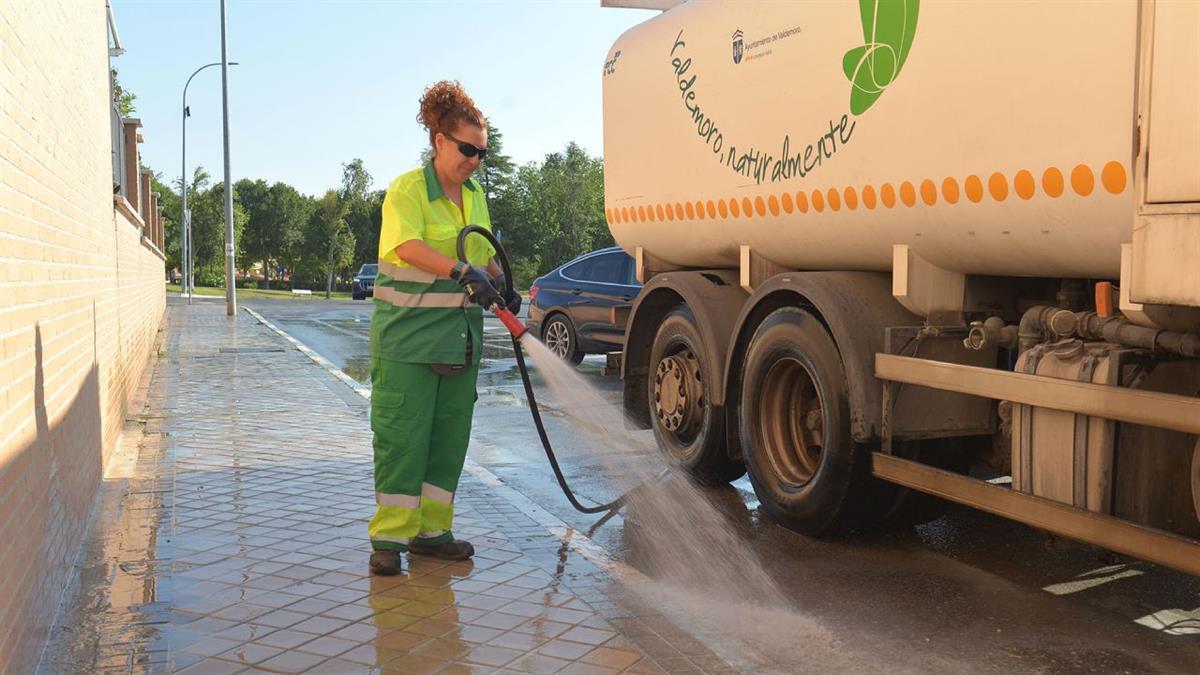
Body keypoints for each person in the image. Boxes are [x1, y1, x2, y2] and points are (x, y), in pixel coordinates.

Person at [367, 80, 520, 576]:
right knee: (403, 441)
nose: (474, 160)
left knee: (448, 443)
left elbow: (480, 252)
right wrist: (457, 271)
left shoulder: (474, 197)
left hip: (460, 343)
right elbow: (407, 247)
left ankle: (433, 535)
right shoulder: (408, 190)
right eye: (467, 149)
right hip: (408, 344)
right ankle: (390, 539)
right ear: (439, 139)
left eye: (482, 153)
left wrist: (503, 281)